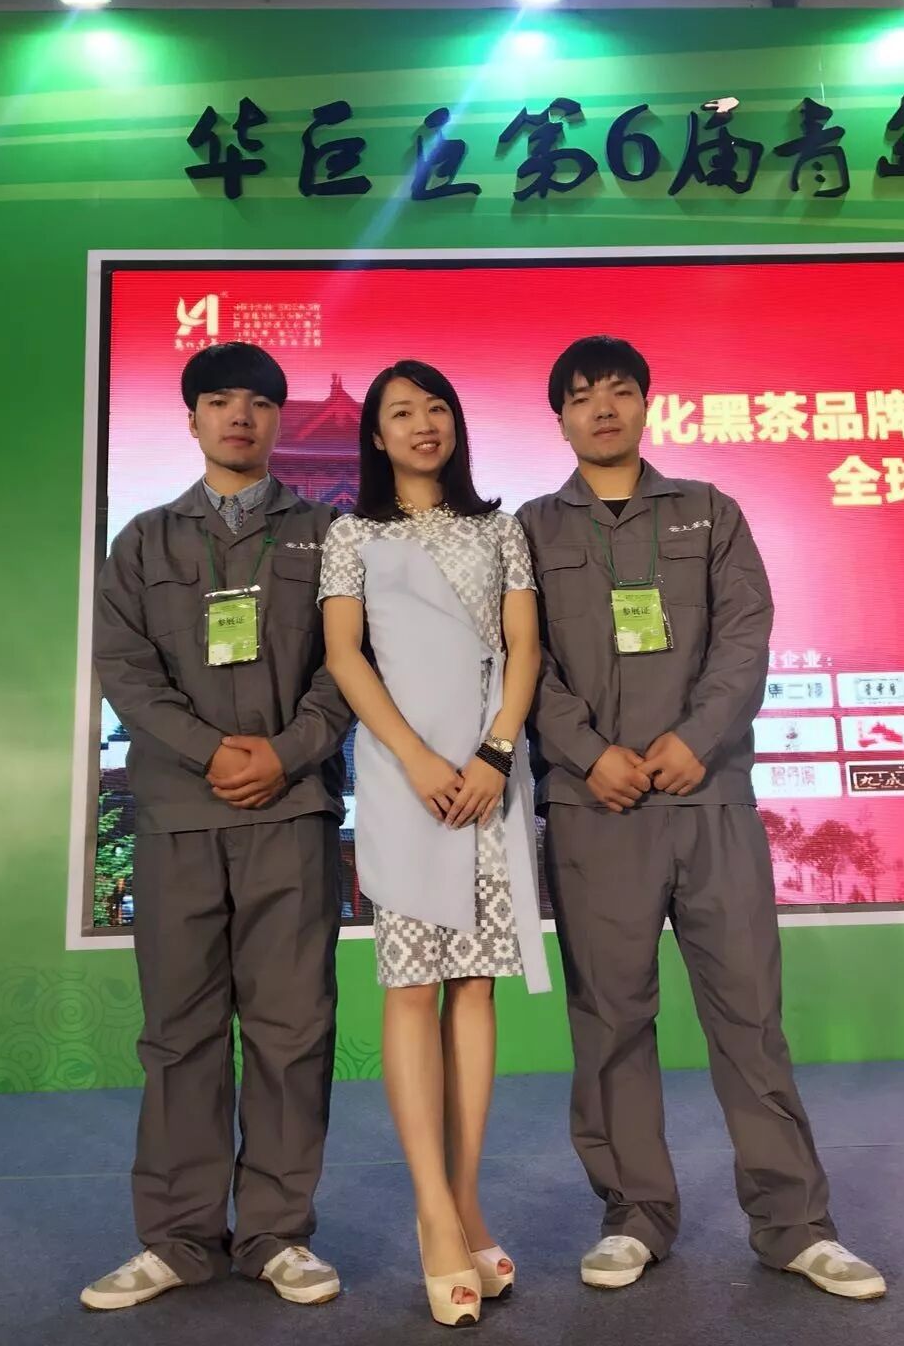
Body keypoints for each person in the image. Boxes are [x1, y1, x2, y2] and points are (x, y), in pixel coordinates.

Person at [516, 335, 886, 1302]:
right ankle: (634, 1216)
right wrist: (587, 752)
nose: (603, 409)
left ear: (648, 404)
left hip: (707, 794)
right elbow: (519, 660)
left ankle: (795, 1225)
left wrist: (697, 737)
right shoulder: (529, 530)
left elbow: (745, 636)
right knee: (610, 1021)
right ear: (559, 416)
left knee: (748, 1013)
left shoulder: (709, 511)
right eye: (583, 396)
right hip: (595, 805)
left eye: (620, 391)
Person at [84, 343, 352, 1311]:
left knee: (292, 1030)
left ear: (279, 419)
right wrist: (211, 751)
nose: (240, 416)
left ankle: (278, 1233)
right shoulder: (144, 541)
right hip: (180, 817)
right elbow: (126, 670)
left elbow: (351, 665)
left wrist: (288, 751)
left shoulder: (329, 535)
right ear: (193, 418)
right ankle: (179, 1238)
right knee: (180, 1033)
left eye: (258, 403)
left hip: (291, 808)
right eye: (220, 401)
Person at [319, 360, 549, 1327]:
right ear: (376, 436)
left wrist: (496, 753)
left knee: (475, 988)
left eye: (437, 407)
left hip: (488, 779)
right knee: (412, 987)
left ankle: (465, 1202)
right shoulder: (352, 535)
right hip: (403, 779)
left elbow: (524, 647)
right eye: (402, 412)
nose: (424, 423)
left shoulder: (502, 528)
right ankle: (432, 1215)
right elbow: (344, 656)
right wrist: (414, 758)